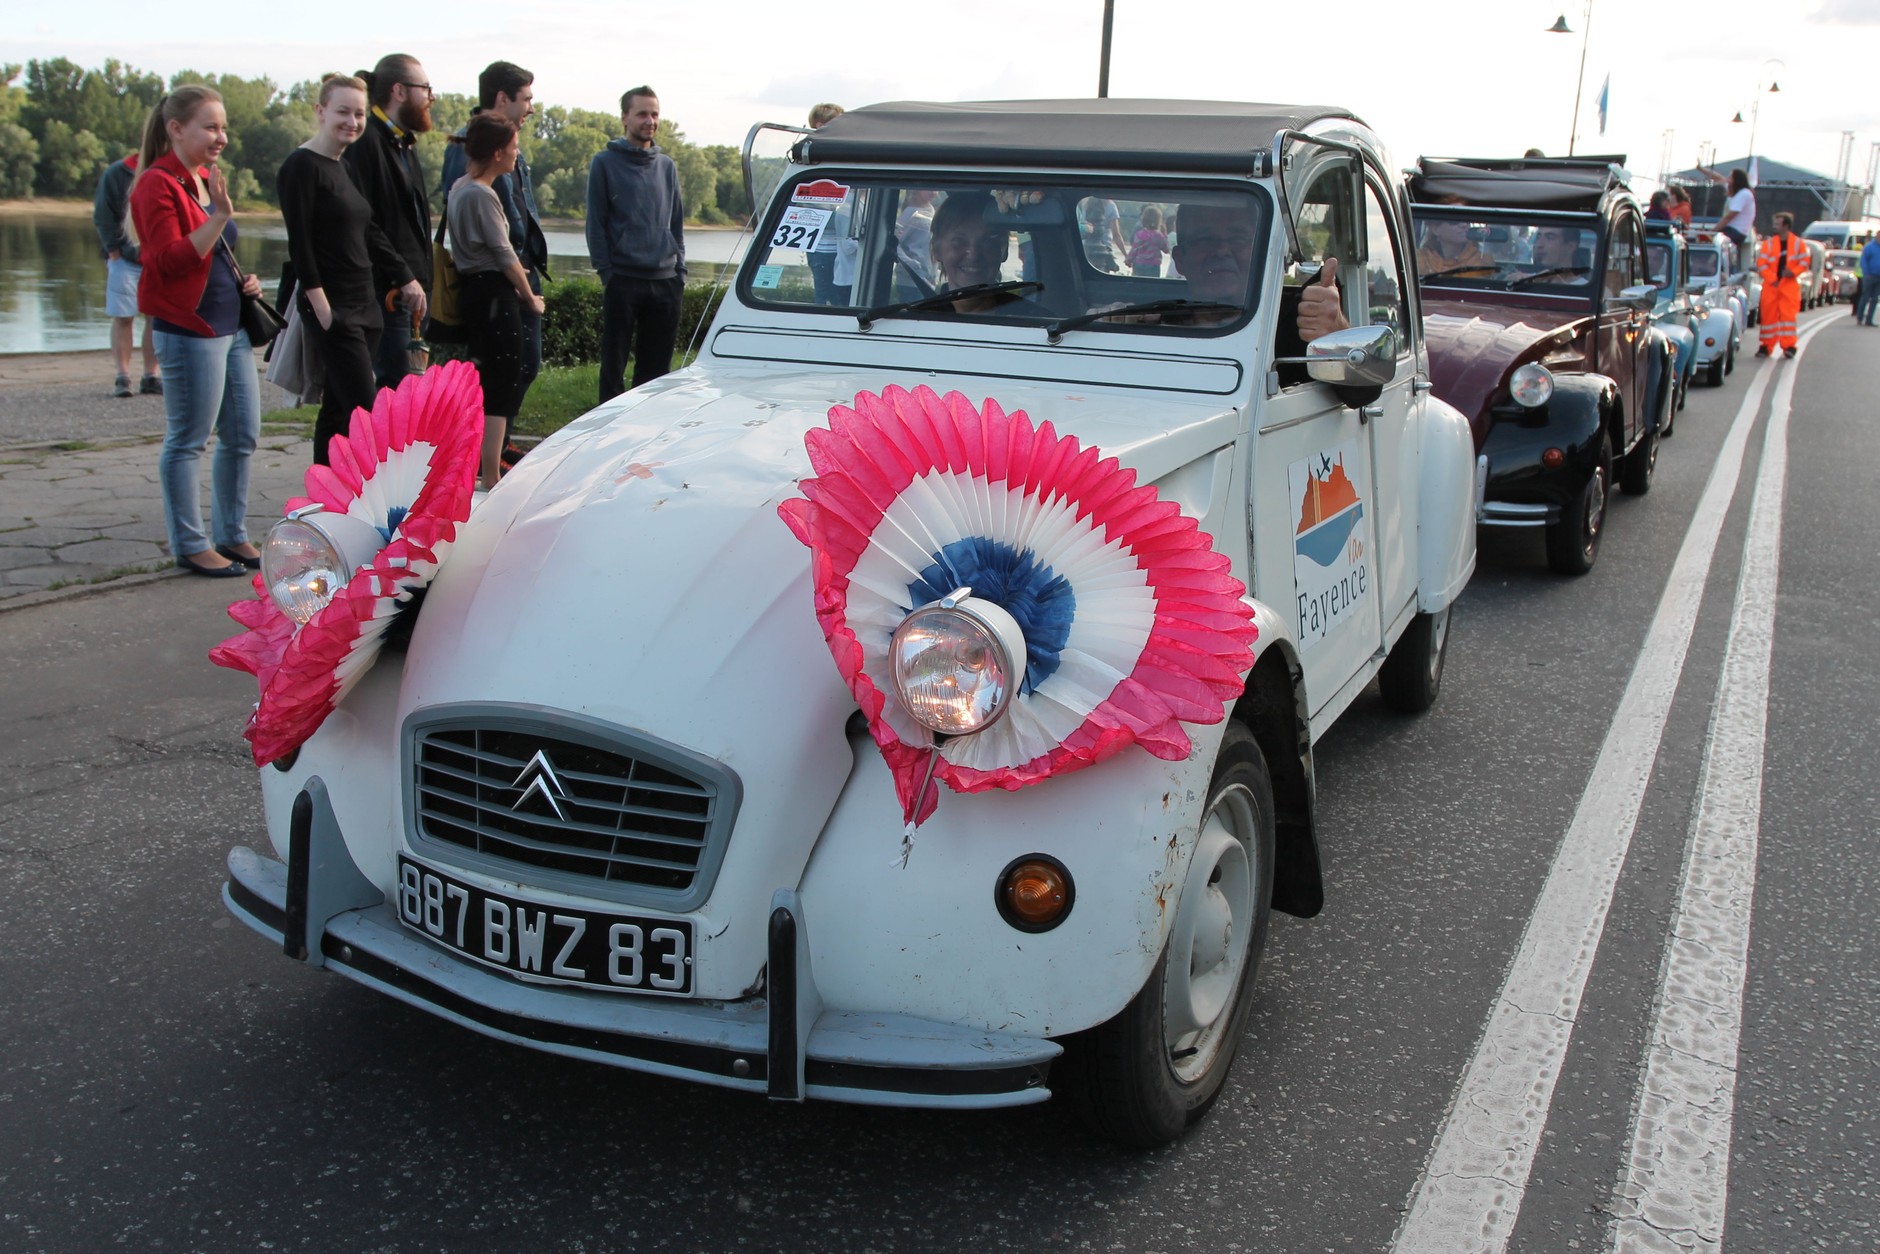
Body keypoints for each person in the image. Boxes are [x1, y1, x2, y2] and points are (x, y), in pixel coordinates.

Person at [127, 86, 262, 578]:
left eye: (223, 127)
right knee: (188, 439)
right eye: (211, 127)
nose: (221, 136)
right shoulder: (155, 185)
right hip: (190, 329)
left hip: (231, 324)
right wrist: (221, 216)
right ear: (176, 129)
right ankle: (190, 542)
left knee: (243, 434)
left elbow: (212, 251)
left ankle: (232, 533)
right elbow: (167, 260)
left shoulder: (203, 179)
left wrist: (241, 276)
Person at [280, 74, 405, 466]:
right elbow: (299, 240)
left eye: (359, 113)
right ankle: (367, 494)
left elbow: (367, 230)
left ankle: (323, 498)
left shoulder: (344, 165)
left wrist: (405, 274)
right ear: (320, 112)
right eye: (342, 112)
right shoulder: (301, 166)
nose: (352, 121)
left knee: (337, 407)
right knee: (362, 409)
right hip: (333, 307)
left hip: (364, 302)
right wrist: (320, 305)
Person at [439, 62, 549, 417]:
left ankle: (497, 447)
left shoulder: (508, 141)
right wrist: (521, 286)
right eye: (526, 99)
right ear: (503, 98)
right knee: (502, 373)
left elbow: (521, 209)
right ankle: (489, 454)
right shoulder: (471, 146)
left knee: (522, 366)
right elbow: (477, 223)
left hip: (517, 270)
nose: (531, 108)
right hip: (497, 278)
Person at [448, 114, 545, 488]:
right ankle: (490, 475)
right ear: (497, 152)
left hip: (476, 293)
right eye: (513, 146)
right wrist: (530, 298)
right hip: (493, 296)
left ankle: (483, 469)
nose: (517, 153)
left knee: (490, 381)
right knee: (500, 385)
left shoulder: (459, 187)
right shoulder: (480, 193)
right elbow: (505, 255)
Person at [587, 86, 687, 402]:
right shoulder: (604, 162)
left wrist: (679, 271)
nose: (650, 121)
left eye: (655, 114)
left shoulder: (666, 166)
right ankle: (606, 433)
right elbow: (596, 223)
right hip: (623, 279)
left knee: (656, 373)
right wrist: (607, 273)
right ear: (625, 118)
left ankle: (647, 431)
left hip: (665, 282)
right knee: (613, 367)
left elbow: (676, 223)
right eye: (642, 113)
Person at [344, 54, 434, 388]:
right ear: (399, 90)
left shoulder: (404, 142)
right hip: (391, 290)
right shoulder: (366, 143)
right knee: (396, 387)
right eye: (424, 88)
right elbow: (366, 223)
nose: (430, 97)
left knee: (411, 386)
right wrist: (403, 275)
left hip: (413, 290)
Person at [93, 154, 160, 397]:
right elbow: (103, 213)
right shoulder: (117, 173)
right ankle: (123, 376)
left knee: (156, 318)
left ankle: (151, 376)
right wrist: (113, 250)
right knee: (123, 317)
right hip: (124, 259)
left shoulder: (171, 171)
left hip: (157, 260)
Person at [803, 103, 849, 304]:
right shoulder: (811, 161)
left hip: (839, 246)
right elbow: (813, 210)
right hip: (823, 247)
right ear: (820, 126)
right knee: (825, 297)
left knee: (839, 295)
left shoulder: (835, 159)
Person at [1756, 211, 1810, 356]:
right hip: (1771, 286)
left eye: (1777, 224)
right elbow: (1761, 264)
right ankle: (1766, 346)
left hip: (1789, 286)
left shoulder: (1799, 244)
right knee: (1768, 318)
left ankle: (1789, 347)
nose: (1774, 227)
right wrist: (1772, 279)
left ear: (1786, 226)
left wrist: (1793, 272)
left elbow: (1805, 262)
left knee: (1788, 318)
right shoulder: (1769, 244)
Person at [1416, 206, 1493, 276]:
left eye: (1467, 220)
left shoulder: (1482, 261)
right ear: (1435, 229)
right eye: (1454, 221)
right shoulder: (1420, 258)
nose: (1464, 225)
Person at [1705, 167, 1756, 253]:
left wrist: (1712, 232)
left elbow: (1729, 216)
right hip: (1733, 229)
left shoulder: (1743, 194)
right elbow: (1718, 178)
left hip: (1737, 231)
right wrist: (1701, 169)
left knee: (1711, 246)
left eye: (1730, 177)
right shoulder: (1738, 192)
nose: (1727, 179)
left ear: (1736, 180)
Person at [1128, 205, 1169, 277]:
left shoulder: (1139, 234)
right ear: (1158, 221)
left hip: (1139, 264)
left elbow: (1134, 249)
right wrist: (1164, 234)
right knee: (1152, 285)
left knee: (1137, 284)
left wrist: (1129, 260)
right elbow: (1166, 249)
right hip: (1153, 265)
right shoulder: (1158, 236)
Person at [1857, 232, 1880, 326]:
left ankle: (1869, 320)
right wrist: (1867, 273)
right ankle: (1860, 317)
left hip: (1879, 277)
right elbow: (1864, 261)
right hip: (1870, 276)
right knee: (1865, 297)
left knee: (1875, 299)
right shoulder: (1869, 247)